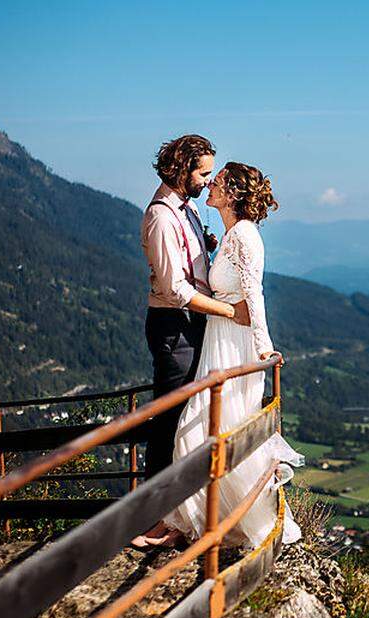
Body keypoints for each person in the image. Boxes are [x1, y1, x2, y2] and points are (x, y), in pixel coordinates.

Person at [148, 162, 303, 548]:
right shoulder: (233, 234)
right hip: (220, 340)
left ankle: (201, 524)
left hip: (234, 344)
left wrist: (264, 348)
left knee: (202, 428)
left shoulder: (245, 236)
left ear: (232, 193)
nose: (210, 186)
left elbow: (254, 295)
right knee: (208, 429)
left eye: (217, 182)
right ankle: (192, 523)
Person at [136, 134, 249, 544]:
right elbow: (175, 290)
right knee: (169, 420)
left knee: (186, 418)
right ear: (182, 169)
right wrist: (231, 313)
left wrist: (207, 248)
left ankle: (178, 514)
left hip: (189, 324)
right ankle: (153, 519)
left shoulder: (184, 212)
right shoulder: (162, 217)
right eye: (203, 172)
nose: (208, 179)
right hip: (174, 325)